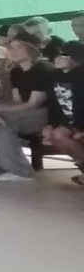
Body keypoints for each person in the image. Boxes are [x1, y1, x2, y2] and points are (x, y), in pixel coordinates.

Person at [0, 33, 52, 181]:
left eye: (19, 47)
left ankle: (21, 170)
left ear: (31, 49)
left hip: (43, 113)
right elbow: (16, 101)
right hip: (24, 111)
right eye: (11, 48)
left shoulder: (42, 69)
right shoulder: (16, 72)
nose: (13, 51)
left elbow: (34, 103)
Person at [43, 42, 84, 176]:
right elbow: (53, 104)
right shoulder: (54, 76)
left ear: (75, 58)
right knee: (56, 135)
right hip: (68, 122)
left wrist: (79, 128)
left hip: (80, 122)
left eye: (63, 55)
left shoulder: (81, 76)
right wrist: (51, 124)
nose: (57, 58)